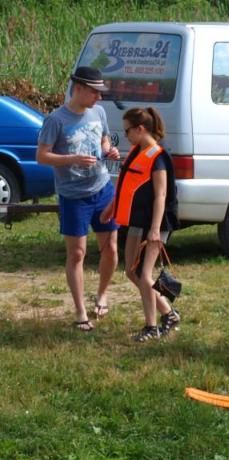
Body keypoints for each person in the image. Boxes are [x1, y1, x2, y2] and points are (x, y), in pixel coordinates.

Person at [35, 66, 122, 332]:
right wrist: (72, 159)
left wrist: (110, 151)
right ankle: (80, 311)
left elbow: (104, 139)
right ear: (79, 88)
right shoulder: (56, 120)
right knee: (77, 253)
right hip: (73, 196)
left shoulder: (98, 112)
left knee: (111, 247)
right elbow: (42, 156)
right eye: (95, 92)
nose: (99, 98)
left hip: (102, 188)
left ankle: (102, 294)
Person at [101, 107, 180, 342]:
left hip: (154, 224)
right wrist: (110, 209)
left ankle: (151, 327)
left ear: (140, 129)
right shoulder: (137, 151)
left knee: (145, 275)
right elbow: (127, 184)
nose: (125, 136)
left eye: (127, 131)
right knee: (130, 271)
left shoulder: (158, 157)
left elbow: (161, 195)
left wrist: (155, 229)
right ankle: (169, 313)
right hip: (136, 221)